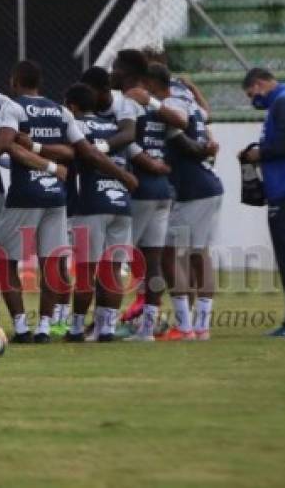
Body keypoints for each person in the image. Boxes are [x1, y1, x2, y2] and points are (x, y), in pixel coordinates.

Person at [0, 60, 138, 343]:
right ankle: (50, 328)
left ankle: (25, 328)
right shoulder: (62, 113)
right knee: (55, 263)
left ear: (14, 80)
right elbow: (76, 151)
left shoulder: (13, 108)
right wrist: (124, 176)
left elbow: (7, 143)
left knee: (6, 261)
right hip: (61, 197)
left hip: (32, 196)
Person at [109, 49, 186, 341]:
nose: (111, 73)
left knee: (116, 259)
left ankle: (105, 323)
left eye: (115, 68)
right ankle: (146, 330)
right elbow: (182, 123)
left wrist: (146, 162)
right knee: (151, 262)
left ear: (126, 73)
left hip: (140, 189)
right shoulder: (155, 104)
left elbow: (127, 141)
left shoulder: (127, 102)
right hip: (162, 191)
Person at [144, 63, 221, 341]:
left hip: (192, 188)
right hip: (208, 185)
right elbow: (206, 116)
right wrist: (195, 90)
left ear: (152, 83)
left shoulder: (170, 107)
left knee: (169, 255)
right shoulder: (187, 100)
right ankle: (200, 327)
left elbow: (184, 134)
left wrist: (202, 150)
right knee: (199, 255)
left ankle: (186, 327)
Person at [239, 67, 285, 338]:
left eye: (252, 94)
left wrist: (259, 153)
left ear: (260, 84)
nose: (253, 100)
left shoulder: (284, 103)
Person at [63, 83, 136, 343]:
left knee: (86, 270)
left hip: (91, 204)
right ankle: (106, 329)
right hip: (120, 204)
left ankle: (76, 330)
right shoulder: (114, 127)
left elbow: (86, 155)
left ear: (72, 106)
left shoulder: (77, 126)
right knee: (113, 269)